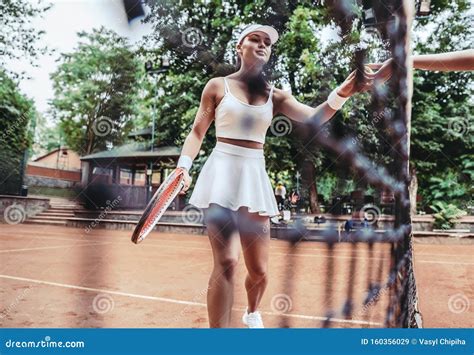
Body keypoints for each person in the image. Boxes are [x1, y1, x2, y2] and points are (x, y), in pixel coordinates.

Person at [175, 24, 376, 328]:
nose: (261, 45)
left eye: (266, 42)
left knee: (259, 272)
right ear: (239, 48)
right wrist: (184, 166)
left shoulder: (276, 96)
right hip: (220, 173)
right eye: (254, 39)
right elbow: (197, 131)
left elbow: (314, 117)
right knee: (227, 261)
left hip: (254, 176)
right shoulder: (216, 86)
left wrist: (343, 91)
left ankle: (252, 311)